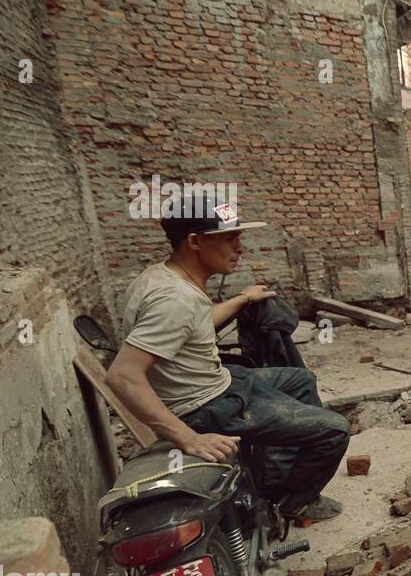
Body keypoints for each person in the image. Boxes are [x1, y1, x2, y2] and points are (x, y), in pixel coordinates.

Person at [106, 190, 349, 524]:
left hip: (218, 383)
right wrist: (187, 438)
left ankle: (270, 481)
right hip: (206, 408)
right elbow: (122, 375)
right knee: (334, 430)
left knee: (300, 379)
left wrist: (243, 299)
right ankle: (287, 505)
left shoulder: (164, 276)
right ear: (194, 241)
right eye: (230, 238)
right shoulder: (172, 300)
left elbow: (192, 325)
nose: (240, 247)